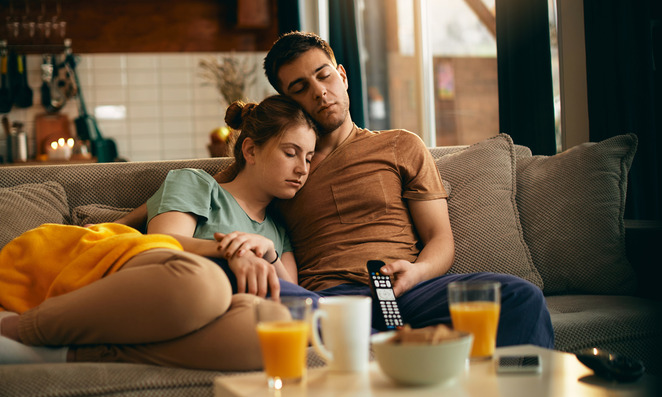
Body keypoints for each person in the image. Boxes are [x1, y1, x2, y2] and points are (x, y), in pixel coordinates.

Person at [114, 31, 554, 348]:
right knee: (300, 307)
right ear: (289, 101)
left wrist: (415, 272)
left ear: (342, 75)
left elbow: (441, 239)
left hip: (406, 288)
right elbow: (211, 198)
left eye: (324, 76)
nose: (320, 92)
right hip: (327, 298)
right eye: (300, 88)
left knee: (520, 297)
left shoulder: (401, 145)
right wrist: (112, 224)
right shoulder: (281, 170)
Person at [0, 95, 319, 370]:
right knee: (204, 284)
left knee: (274, 330)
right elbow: (165, 244)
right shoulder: (198, 184)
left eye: (308, 157)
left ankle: (66, 355)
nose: (302, 169)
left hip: (205, 316)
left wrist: (266, 250)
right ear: (250, 151)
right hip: (160, 281)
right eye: (291, 153)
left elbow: (289, 297)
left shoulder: (277, 229)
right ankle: (21, 329)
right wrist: (233, 251)